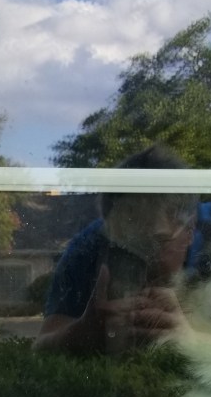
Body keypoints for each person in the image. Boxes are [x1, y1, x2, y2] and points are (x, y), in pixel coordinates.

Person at [35, 146, 200, 354]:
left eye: (156, 243)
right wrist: (84, 331)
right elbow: (41, 345)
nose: (140, 262)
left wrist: (193, 342)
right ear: (108, 230)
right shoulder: (86, 249)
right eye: (123, 248)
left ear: (190, 229)